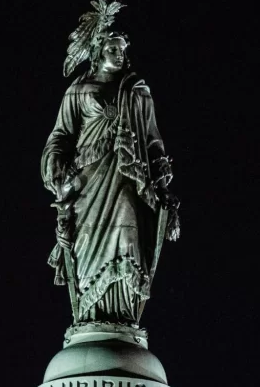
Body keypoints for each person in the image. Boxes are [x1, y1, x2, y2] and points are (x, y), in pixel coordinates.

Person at [42, 27, 179, 326]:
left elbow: (153, 140)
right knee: (87, 242)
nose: (119, 55)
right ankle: (89, 316)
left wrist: (162, 180)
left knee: (128, 230)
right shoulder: (77, 91)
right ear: (97, 50)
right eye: (112, 49)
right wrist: (55, 167)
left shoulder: (137, 90)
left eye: (122, 50)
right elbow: (61, 135)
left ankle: (124, 317)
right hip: (87, 181)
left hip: (127, 178)